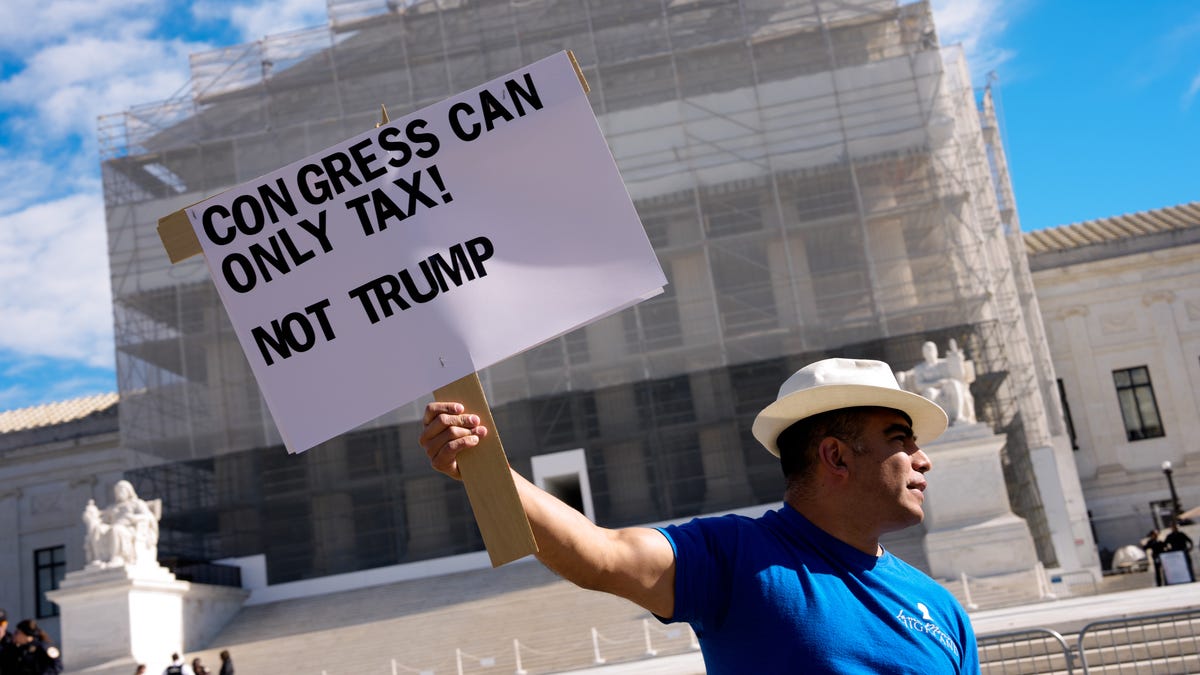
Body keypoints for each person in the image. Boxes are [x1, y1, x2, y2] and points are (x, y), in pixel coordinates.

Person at [422, 357, 980, 673]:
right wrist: (482, 465)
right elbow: (601, 556)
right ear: (835, 455)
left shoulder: (943, 610)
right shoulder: (736, 557)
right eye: (900, 439)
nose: (923, 459)